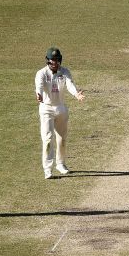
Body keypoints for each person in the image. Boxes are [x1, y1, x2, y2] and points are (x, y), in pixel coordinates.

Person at [35, 47, 85, 179]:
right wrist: (39, 95)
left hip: (61, 108)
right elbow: (39, 87)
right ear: (48, 61)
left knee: (62, 139)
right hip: (46, 108)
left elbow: (69, 84)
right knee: (47, 139)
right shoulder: (41, 73)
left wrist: (76, 94)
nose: (55, 63)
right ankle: (47, 169)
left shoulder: (65, 72)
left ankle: (61, 164)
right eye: (52, 60)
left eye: (57, 60)